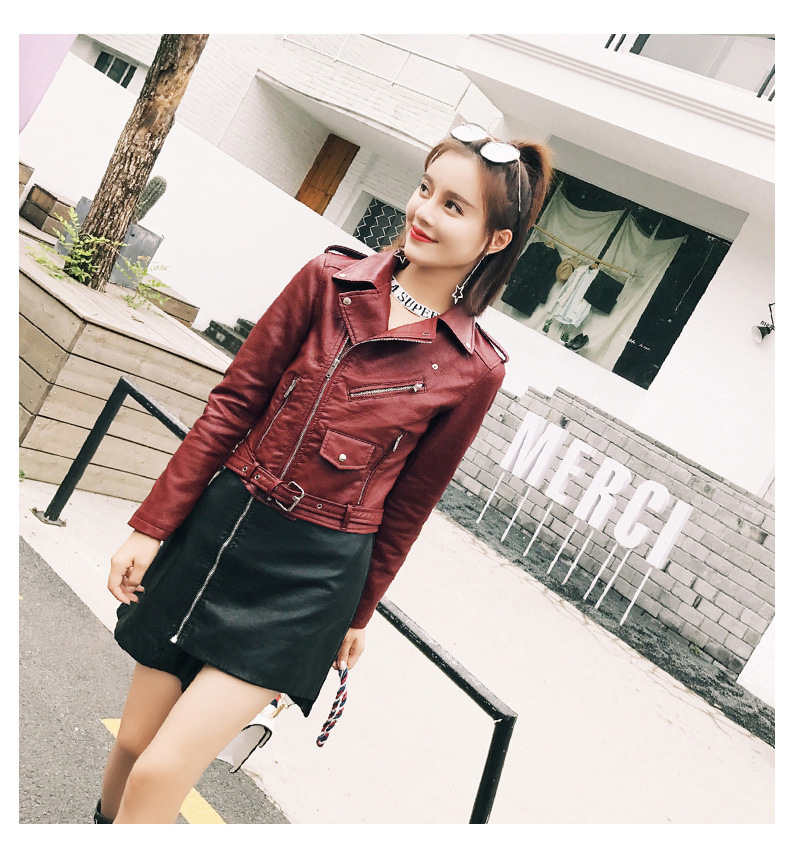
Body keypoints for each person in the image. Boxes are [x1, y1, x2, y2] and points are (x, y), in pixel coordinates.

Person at [95, 124, 554, 824]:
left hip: (309, 584)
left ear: (495, 240)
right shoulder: (326, 281)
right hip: (220, 531)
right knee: (133, 744)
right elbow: (232, 406)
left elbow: (410, 505)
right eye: (426, 189)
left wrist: (359, 612)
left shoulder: (473, 368)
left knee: (162, 770)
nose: (424, 211)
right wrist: (151, 526)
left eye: (454, 206)